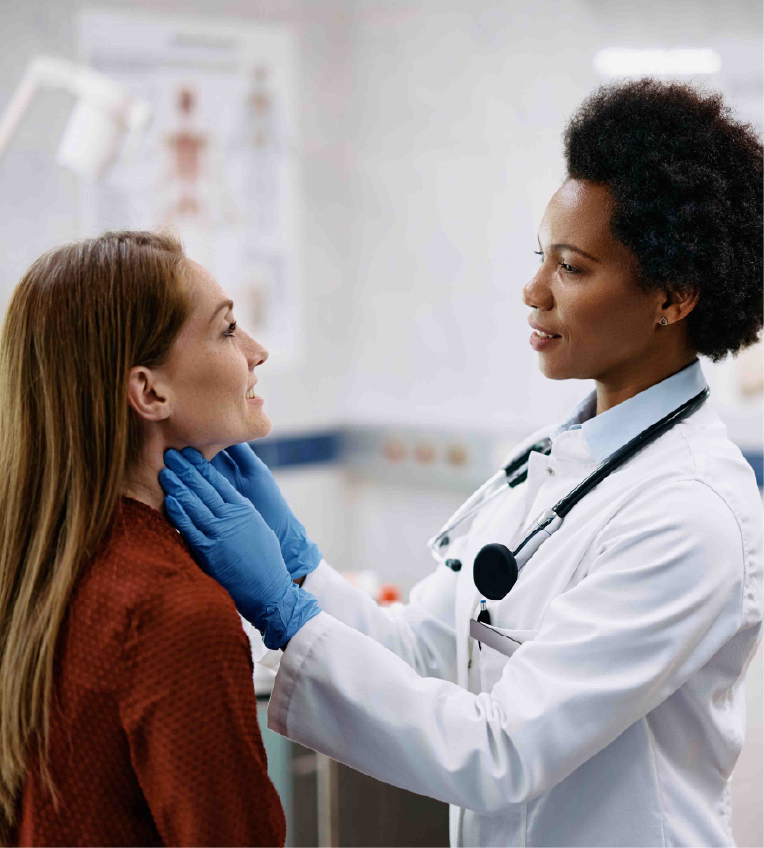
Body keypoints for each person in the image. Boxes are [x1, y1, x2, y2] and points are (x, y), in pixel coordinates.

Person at [161, 79, 764, 848]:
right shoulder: (553, 464)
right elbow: (421, 651)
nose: (533, 290)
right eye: (540, 256)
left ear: (673, 297)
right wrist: (300, 565)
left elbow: (502, 751)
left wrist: (288, 612)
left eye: (573, 269)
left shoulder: (690, 513)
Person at [0, 231, 286, 847]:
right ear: (150, 392)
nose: (257, 352)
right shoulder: (172, 611)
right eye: (229, 330)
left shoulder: (41, 565)